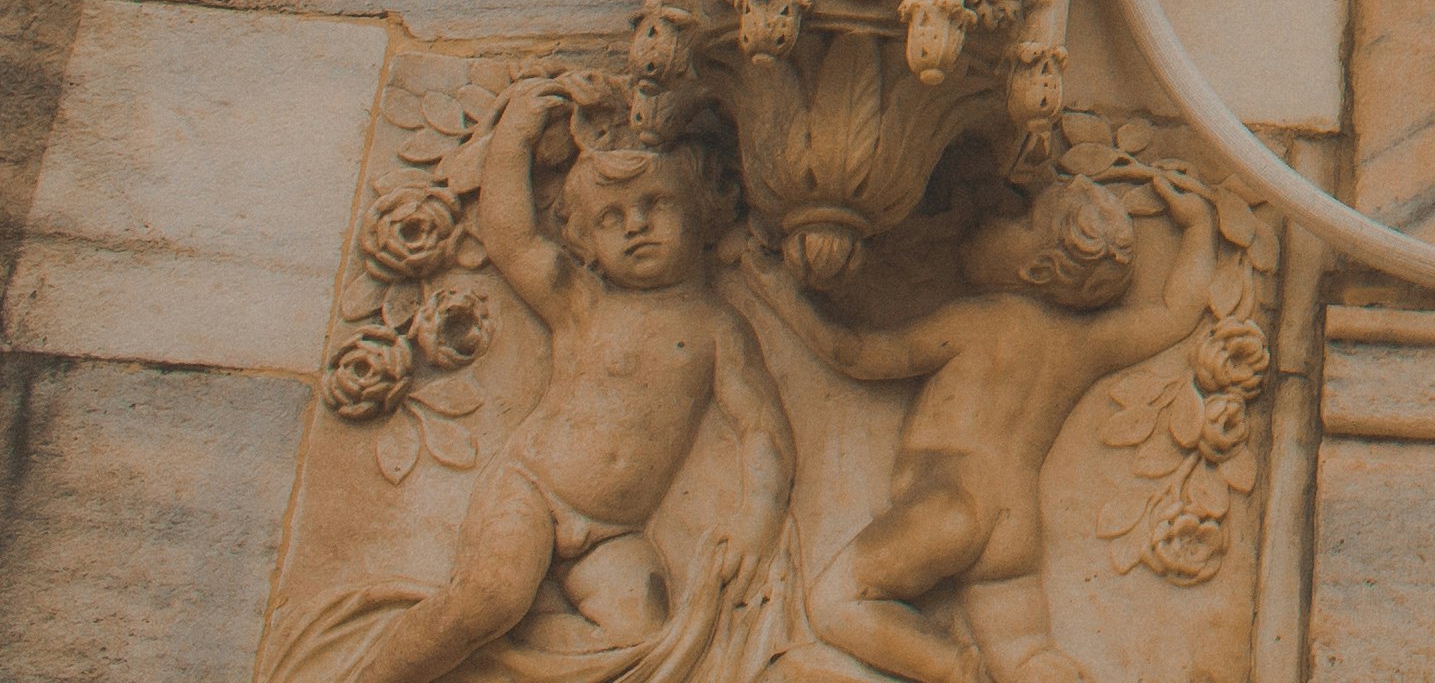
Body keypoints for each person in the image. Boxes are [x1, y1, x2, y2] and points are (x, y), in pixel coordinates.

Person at [295, 86, 793, 683]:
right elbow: (511, 237)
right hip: (533, 490)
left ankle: (488, 659)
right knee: (495, 596)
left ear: (704, 210)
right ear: (583, 239)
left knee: (641, 635)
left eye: (656, 204)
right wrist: (519, 133)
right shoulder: (583, 302)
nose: (636, 226)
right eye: (611, 218)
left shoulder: (719, 330)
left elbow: (762, 427)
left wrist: (757, 516)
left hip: (614, 531)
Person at [737, 173, 1222, 683]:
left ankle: (954, 670)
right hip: (1015, 527)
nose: (995, 217)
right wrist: (1198, 227)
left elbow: (854, 354)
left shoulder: (974, 322)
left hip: (950, 504)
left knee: (837, 601)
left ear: (1035, 268)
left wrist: (777, 293)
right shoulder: (1082, 343)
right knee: (1027, 658)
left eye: (1018, 218)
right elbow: (1176, 312)